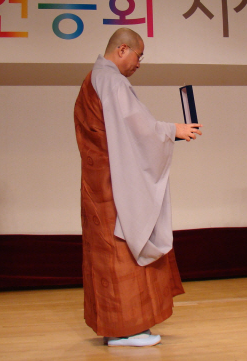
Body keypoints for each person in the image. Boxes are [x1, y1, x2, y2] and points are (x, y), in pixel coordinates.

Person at [73, 28, 202, 347]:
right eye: (138, 55)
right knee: (123, 252)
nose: (139, 63)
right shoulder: (113, 81)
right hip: (114, 185)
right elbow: (139, 130)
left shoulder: (92, 79)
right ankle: (124, 329)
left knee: (109, 254)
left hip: (97, 184)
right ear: (122, 49)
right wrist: (173, 130)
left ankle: (121, 327)